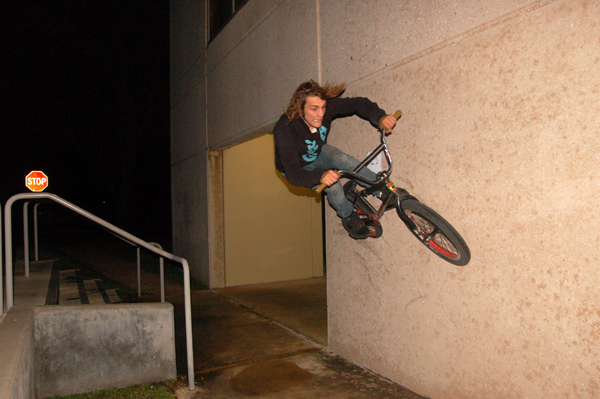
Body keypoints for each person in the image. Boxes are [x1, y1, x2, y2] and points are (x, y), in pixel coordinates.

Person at [274, 80, 398, 239]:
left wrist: (380, 118)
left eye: (323, 107)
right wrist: (319, 176)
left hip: (318, 152)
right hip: (298, 168)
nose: (321, 114)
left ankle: (377, 187)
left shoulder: (325, 109)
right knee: (333, 187)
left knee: (343, 159)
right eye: (314, 109)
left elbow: (359, 104)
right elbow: (293, 174)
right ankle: (348, 216)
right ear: (300, 109)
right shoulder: (285, 129)